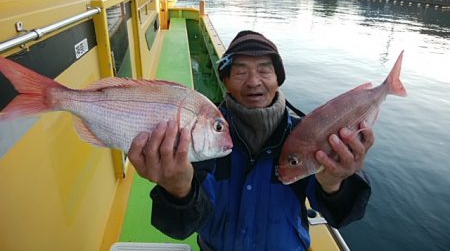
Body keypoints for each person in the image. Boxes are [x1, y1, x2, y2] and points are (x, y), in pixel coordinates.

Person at [128, 30, 373, 251]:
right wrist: (178, 191)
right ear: (225, 80)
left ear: (278, 78)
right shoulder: (202, 135)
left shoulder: (305, 135)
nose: (254, 81)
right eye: (241, 72)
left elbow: (342, 216)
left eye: (265, 70)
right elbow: (180, 228)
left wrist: (334, 184)